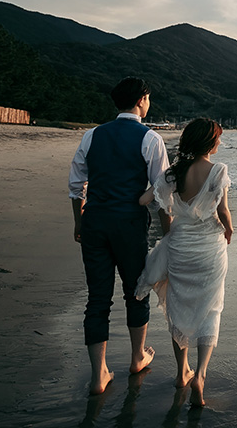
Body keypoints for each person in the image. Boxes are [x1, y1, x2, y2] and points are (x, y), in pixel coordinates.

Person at [69, 77, 170, 395]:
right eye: (149, 97)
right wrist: (168, 236)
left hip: (95, 222)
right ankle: (137, 357)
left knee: (97, 298)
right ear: (141, 100)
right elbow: (163, 192)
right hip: (128, 225)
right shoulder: (150, 138)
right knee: (136, 291)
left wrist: (79, 222)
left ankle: (99, 375)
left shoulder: (91, 135)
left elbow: (76, 185)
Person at [135, 118, 233, 408]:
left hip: (180, 248)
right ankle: (200, 376)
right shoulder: (218, 171)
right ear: (210, 142)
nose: (219, 144)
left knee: (179, 308)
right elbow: (224, 211)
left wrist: (166, 213)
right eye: (218, 139)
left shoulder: (171, 174)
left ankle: (181, 374)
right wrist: (229, 229)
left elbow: (144, 201)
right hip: (209, 250)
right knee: (211, 308)